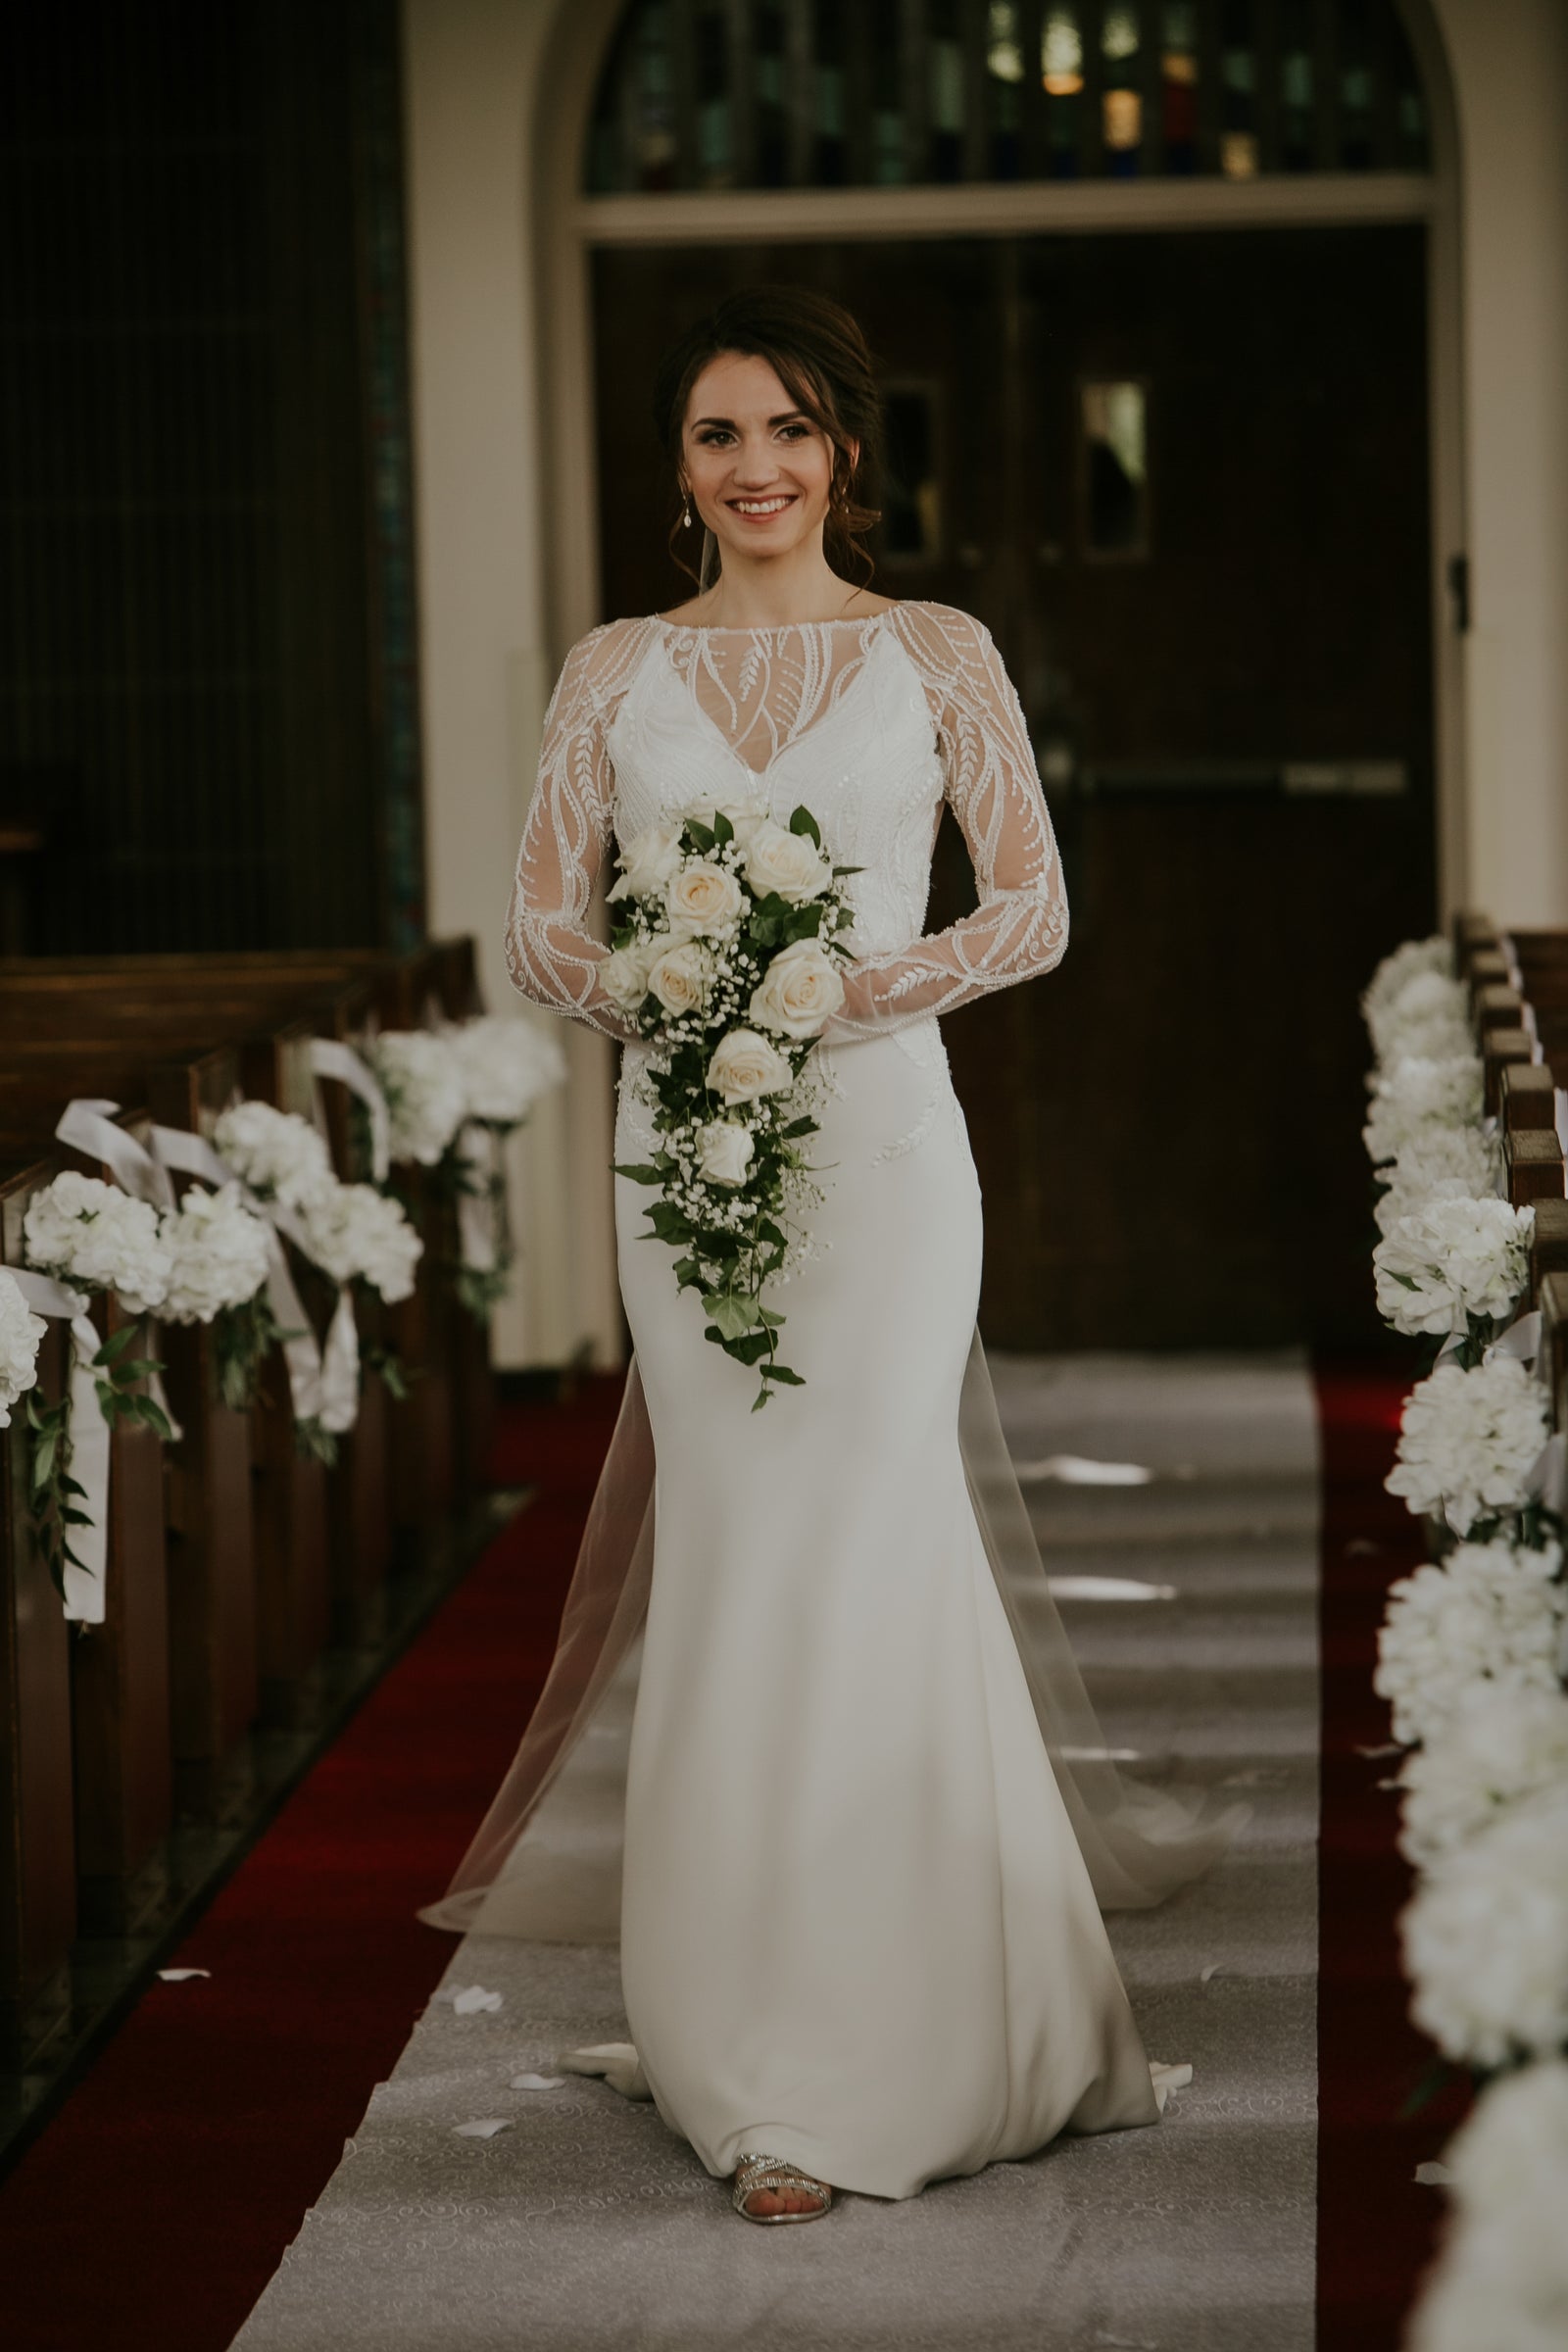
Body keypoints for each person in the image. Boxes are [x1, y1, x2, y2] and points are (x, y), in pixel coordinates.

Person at [421, 287, 1229, 2224]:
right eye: (716, 436)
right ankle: (739, 2036)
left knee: (870, 1527)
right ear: (676, 468)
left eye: (785, 431)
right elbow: (536, 921)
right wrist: (665, 986)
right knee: (739, 1546)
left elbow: (1030, 905)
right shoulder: (612, 670)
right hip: (678, 1150)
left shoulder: (931, 649)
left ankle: (904, 2040)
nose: (754, 467)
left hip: (876, 1150)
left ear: (844, 456)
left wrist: (834, 990)